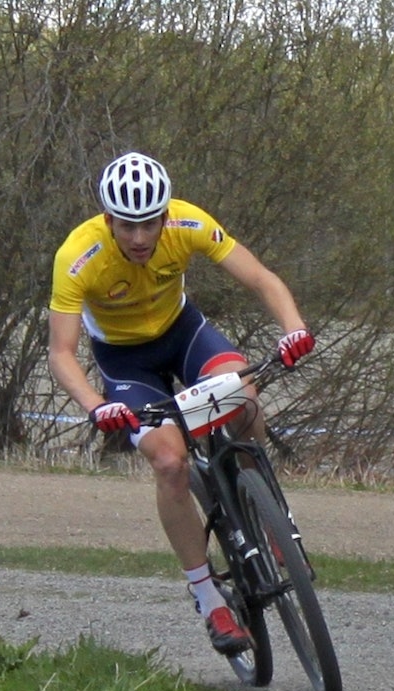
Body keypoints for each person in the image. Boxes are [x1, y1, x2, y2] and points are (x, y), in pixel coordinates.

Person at [48, 152, 315, 657]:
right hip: (127, 363)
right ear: (108, 219)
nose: (140, 237)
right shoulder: (77, 257)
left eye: (150, 222)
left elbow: (262, 278)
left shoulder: (191, 222)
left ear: (166, 215)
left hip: (185, 334)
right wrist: (93, 405)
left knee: (244, 399)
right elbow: (60, 353)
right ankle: (207, 595)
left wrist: (294, 328)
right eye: (127, 225)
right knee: (169, 462)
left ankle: (269, 508)